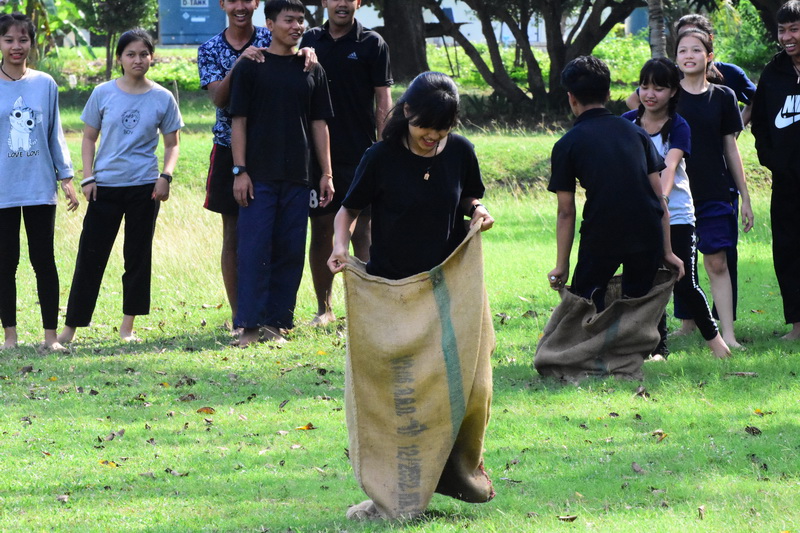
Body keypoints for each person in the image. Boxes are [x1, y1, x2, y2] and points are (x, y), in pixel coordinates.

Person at [328, 71, 495, 521]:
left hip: (447, 288)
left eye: (442, 129)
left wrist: (479, 210)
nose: (433, 137)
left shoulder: (460, 152)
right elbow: (348, 210)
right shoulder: (380, 157)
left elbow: (469, 196)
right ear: (407, 113)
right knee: (399, 397)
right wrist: (340, 246)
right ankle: (395, 491)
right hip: (392, 294)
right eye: (426, 127)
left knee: (464, 387)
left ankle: (453, 475)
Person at [58, 29, 183, 344]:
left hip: (145, 188)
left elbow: (173, 144)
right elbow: (89, 138)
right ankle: (70, 329)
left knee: (137, 257)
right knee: (90, 257)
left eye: (143, 54)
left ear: (152, 57)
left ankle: (128, 328)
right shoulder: (103, 93)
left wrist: (165, 176)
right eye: (130, 54)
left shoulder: (163, 98)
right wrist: (88, 177)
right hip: (105, 187)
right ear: (119, 59)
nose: (137, 60)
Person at [198, 0, 316, 328]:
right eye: (233, 0)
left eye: (247, 0)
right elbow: (219, 99)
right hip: (230, 149)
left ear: (256, 5)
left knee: (278, 237)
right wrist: (239, 63)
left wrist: (307, 52)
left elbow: (294, 59)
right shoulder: (210, 49)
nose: (240, 6)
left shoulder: (272, 34)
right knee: (235, 234)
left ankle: (272, 317)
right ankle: (241, 315)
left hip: (277, 151)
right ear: (222, 4)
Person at [228, 0, 334, 347]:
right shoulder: (251, 66)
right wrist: (240, 171)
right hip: (257, 176)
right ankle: (249, 327)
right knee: (254, 250)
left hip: (299, 176)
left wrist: (327, 173)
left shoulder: (311, 68)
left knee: (290, 251)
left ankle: (277, 325)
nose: (297, 26)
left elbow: (319, 124)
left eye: (301, 20)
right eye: (289, 20)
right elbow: (238, 121)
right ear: (270, 24)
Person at [547, 56, 684, 311]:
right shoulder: (637, 133)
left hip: (603, 232)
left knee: (586, 304)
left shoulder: (567, 144)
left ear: (571, 98)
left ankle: (594, 338)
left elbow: (566, 211)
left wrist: (561, 265)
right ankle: (651, 339)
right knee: (641, 306)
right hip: (646, 231)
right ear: (608, 93)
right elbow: (659, 198)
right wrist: (667, 251)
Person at [622, 58, 730, 360]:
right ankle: (656, 349)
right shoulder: (627, 122)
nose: (649, 94)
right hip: (638, 216)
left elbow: (669, 165)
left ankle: (719, 346)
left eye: (658, 87)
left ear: (673, 91)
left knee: (684, 281)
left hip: (677, 215)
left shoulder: (679, 126)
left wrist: (662, 201)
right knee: (644, 282)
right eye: (644, 86)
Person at [300, 0, 393, 326]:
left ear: (359, 2)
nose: (341, 3)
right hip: (316, 157)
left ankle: (368, 311)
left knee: (363, 232)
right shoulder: (309, 39)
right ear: (324, 2)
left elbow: (383, 99)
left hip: (360, 154)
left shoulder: (373, 43)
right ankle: (324, 309)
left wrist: (385, 147)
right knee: (322, 231)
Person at [0, 13, 78, 351]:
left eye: (23, 39)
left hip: (38, 184)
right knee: (5, 263)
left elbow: (54, 132)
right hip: (3, 187)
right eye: (9, 40)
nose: (16, 46)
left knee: (43, 260)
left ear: (32, 43)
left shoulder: (45, 83)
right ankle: (10, 336)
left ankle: (50, 336)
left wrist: (66, 176)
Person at [673, 29, 754, 349]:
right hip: (676, 194)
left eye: (696, 50)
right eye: (682, 50)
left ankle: (728, 335)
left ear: (709, 57)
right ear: (676, 58)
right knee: (679, 264)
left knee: (717, 262)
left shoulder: (724, 96)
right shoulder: (669, 95)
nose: (688, 55)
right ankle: (682, 327)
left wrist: (745, 196)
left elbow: (730, 148)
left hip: (715, 191)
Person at [751, 0, 800, 340]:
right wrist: (773, 161)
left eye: (794, 29)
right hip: (787, 184)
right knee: (788, 251)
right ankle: (798, 327)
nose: (787, 37)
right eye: (782, 30)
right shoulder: (773, 73)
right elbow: (760, 125)